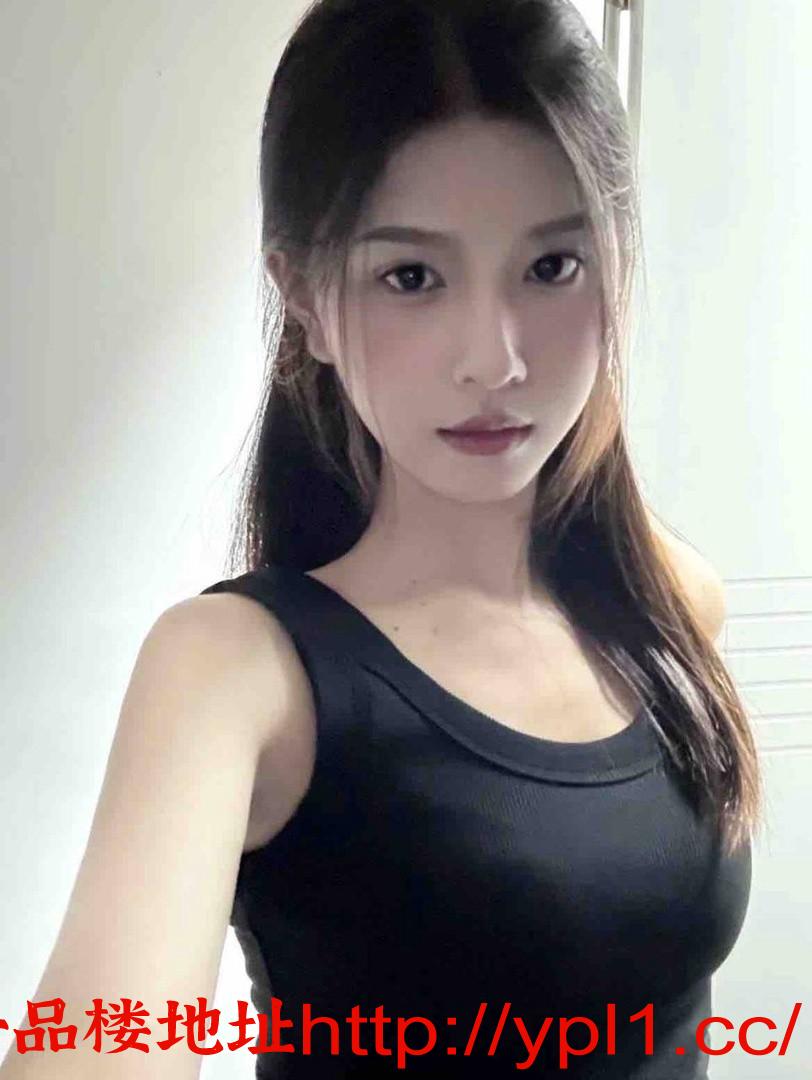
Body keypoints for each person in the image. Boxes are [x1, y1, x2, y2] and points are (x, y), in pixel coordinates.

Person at [1, 1, 761, 1078]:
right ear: (305, 300)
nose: (493, 360)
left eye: (552, 266)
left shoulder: (670, 604)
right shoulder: (237, 675)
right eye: (411, 277)